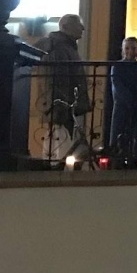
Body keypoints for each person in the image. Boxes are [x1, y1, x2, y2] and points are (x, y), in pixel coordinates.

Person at [39, 13, 89, 164]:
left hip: (65, 108)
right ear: (66, 27)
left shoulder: (64, 47)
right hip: (63, 110)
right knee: (61, 149)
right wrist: (63, 108)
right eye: (78, 24)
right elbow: (59, 81)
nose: (82, 28)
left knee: (62, 147)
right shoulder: (59, 48)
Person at [107, 36, 137, 165]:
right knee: (119, 140)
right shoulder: (117, 67)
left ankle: (134, 162)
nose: (130, 51)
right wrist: (131, 102)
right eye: (127, 48)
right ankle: (118, 163)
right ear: (122, 50)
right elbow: (118, 87)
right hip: (123, 108)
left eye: (133, 48)